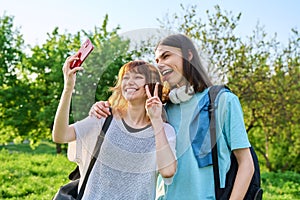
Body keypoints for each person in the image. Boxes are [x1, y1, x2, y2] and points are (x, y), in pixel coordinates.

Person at [89, 34, 255, 199]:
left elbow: (246, 164)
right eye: (157, 61)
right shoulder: (162, 109)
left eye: (166, 56)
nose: (160, 64)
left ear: (188, 55)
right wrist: (102, 108)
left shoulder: (222, 101)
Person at [52, 55, 177, 200]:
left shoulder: (164, 130)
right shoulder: (104, 117)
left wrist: (156, 121)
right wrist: (68, 88)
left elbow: (168, 171)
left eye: (137, 77)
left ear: (152, 85)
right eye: (125, 77)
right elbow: (60, 136)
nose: (129, 82)